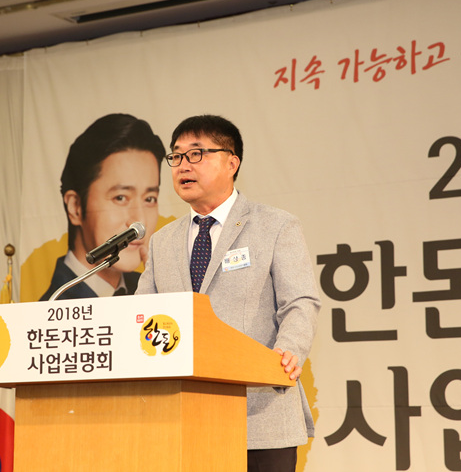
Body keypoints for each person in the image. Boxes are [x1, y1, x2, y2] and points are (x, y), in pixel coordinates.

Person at [136, 114, 320, 471]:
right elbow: (143, 315)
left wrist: (288, 351)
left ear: (231, 163)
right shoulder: (162, 241)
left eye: (196, 154)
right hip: (182, 418)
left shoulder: (275, 225)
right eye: (176, 156)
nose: (183, 165)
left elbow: (300, 301)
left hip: (260, 413)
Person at [40, 113, 166, 300]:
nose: (140, 221)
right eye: (120, 198)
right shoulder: (53, 305)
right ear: (75, 207)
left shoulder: (149, 290)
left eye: (149, 199)